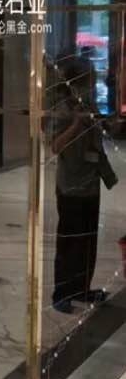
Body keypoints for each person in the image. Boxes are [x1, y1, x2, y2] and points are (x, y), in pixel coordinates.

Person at [50, 56, 114, 313]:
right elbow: (55, 145)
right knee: (70, 242)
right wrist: (77, 124)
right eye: (88, 80)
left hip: (90, 183)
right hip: (71, 186)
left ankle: (82, 288)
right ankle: (61, 293)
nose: (91, 85)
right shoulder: (63, 109)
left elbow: (103, 131)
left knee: (88, 240)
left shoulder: (89, 105)